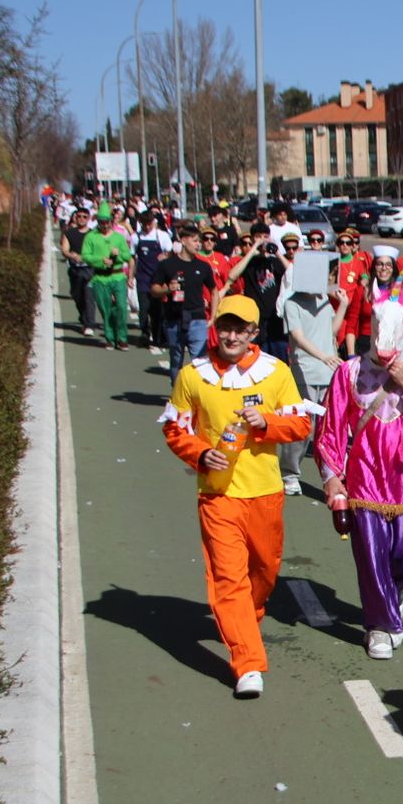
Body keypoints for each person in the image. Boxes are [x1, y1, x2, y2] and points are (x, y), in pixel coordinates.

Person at [159, 295, 317, 698]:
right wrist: (198, 452)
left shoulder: (274, 372)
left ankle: (247, 618)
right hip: (217, 495)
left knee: (263, 573)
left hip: (265, 493)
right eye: (225, 327)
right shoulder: (193, 376)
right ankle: (247, 663)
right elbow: (175, 429)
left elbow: (300, 424)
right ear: (217, 328)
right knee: (228, 578)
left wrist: (267, 422)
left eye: (240, 329)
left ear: (253, 333)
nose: (231, 335)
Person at [316, 287, 403, 660]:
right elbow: (332, 429)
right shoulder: (349, 372)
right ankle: (380, 626)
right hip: (364, 477)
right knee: (371, 555)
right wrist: (332, 478)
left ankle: (391, 591)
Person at [280, 249, 349, 497]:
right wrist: (323, 356)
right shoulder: (292, 303)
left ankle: (332, 477)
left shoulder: (323, 300)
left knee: (328, 429)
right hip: (304, 372)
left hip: (327, 373)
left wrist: (343, 305)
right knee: (302, 428)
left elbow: (331, 330)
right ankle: (289, 473)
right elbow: (297, 337)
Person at [152, 223, 213, 379]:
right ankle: (177, 396)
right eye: (195, 241)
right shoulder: (167, 265)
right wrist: (168, 289)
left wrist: (213, 316)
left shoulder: (203, 266)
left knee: (200, 362)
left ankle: (199, 398)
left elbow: (214, 290)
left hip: (197, 318)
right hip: (174, 319)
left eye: (199, 241)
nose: (198, 244)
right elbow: (154, 290)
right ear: (183, 241)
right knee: (176, 359)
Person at [81, 204, 133, 351]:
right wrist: (101, 260)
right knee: (105, 309)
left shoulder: (118, 237)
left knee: (121, 307)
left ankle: (122, 337)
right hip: (100, 277)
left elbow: (127, 256)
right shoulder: (91, 237)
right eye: (101, 222)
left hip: (117, 277)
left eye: (107, 222)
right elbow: (85, 256)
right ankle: (110, 338)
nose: (104, 225)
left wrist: (117, 256)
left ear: (111, 221)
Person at [131, 209, 172, 354]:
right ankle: (145, 333)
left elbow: (170, 253)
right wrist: (130, 276)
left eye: (149, 223)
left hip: (158, 278)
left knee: (157, 310)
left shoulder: (162, 236)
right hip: (142, 277)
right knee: (144, 308)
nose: (147, 227)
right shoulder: (136, 237)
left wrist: (165, 256)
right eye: (144, 224)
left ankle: (157, 336)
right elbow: (133, 258)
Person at [60, 206, 99, 336]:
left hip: (90, 270)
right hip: (75, 270)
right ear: (75, 218)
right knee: (77, 296)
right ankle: (83, 318)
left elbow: (98, 251)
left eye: (84, 217)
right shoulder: (70, 233)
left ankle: (89, 324)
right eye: (79, 216)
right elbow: (64, 250)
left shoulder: (93, 234)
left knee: (89, 296)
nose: (81, 219)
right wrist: (72, 256)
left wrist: (89, 258)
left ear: (88, 218)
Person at [335, 229, 370, 356]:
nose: (345, 245)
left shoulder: (358, 262)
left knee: (351, 339)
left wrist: (364, 283)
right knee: (338, 340)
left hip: (353, 309)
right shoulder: (333, 262)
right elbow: (327, 286)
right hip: (337, 308)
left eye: (348, 243)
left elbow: (364, 277)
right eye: (342, 243)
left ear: (352, 245)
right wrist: (340, 299)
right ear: (338, 245)